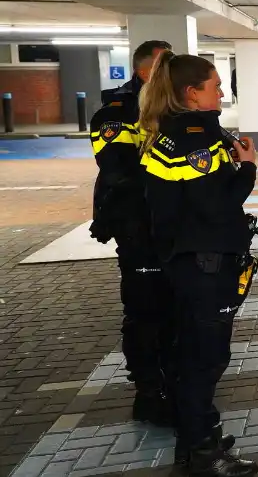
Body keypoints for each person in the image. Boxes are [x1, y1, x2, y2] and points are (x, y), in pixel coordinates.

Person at [139, 53, 258, 476]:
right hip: (206, 263)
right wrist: (247, 168)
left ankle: (198, 437)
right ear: (192, 94)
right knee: (204, 359)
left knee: (189, 353)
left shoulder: (168, 133)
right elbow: (216, 204)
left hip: (183, 261)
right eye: (215, 86)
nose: (222, 92)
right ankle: (203, 453)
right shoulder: (198, 137)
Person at [89, 39, 174, 427]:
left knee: (176, 309)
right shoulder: (116, 114)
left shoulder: (172, 111)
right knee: (144, 313)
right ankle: (148, 392)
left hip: (174, 229)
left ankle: (174, 382)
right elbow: (117, 172)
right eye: (166, 65)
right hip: (138, 228)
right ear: (145, 71)